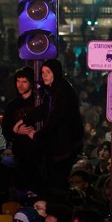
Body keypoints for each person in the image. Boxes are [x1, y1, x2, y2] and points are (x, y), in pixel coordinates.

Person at [36, 60, 84, 194]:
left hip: (65, 147)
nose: (44, 75)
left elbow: (55, 119)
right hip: (61, 146)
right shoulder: (53, 90)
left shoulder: (62, 91)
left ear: (55, 73)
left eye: (48, 72)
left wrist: (37, 135)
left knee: (58, 183)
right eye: (42, 72)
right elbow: (44, 110)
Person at [1, 66, 48, 192]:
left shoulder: (39, 102)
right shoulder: (12, 106)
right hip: (20, 154)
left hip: (39, 155)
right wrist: (16, 131)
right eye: (18, 81)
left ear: (31, 83)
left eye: (24, 82)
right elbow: (6, 129)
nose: (20, 85)